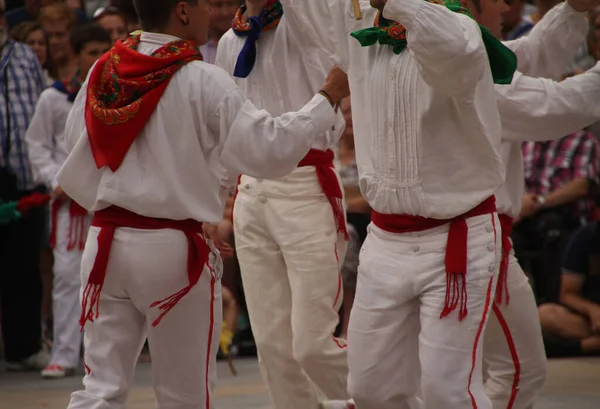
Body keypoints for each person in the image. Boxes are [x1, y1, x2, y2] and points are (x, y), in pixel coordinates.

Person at [55, 0, 349, 407]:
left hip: (105, 239)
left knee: (100, 389)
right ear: (181, 10)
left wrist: (124, 192)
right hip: (172, 246)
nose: (213, 10)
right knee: (184, 394)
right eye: (204, 3)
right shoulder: (201, 78)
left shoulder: (103, 69)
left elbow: (75, 148)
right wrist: (327, 97)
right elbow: (268, 148)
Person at [278, 0, 521, 408]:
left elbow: (454, 54)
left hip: (455, 242)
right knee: (370, 391)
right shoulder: (360, 25)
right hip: (385, 240)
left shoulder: (457, 27)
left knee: (448, 392)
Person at [456, 1, 600, 408]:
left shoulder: (462, 54)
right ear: (466, 5)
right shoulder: (465, 68)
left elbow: (532, 57)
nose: (505, 5)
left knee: (486, 374)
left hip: (469, 238)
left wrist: (573, 10)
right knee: (514, 373)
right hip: (470, 244)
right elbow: (554, 106)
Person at [215, 1, 348, 408]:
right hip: (251, 192)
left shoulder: (305, 20)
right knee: (273, 347)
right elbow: (222, 127)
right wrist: (216, 201)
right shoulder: (227, 42)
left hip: (306, 184)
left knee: (313, 343)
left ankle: (386, 394)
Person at [26, 23, 111, 379]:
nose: (97, 58)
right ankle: (62, 353)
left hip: (106, 200)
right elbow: (37, 146)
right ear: (76, 55)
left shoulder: (116, 92)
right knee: (65, 276)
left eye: (102, 50)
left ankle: (100, 358)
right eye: (91, 52)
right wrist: (57, 179)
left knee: (107, 278)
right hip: (68, 205)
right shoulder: (53, 97)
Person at [0, 0, 49, 372]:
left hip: (22, 174)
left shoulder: (24, 56)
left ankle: (25, 346)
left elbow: (35, 106)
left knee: (24, 267)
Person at [538, 221, 600, 357]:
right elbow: (568, 294)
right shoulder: (585, 238)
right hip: (592, 319)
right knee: (546, 314)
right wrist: (592, 310)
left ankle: (589, 346)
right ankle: (590, 344)